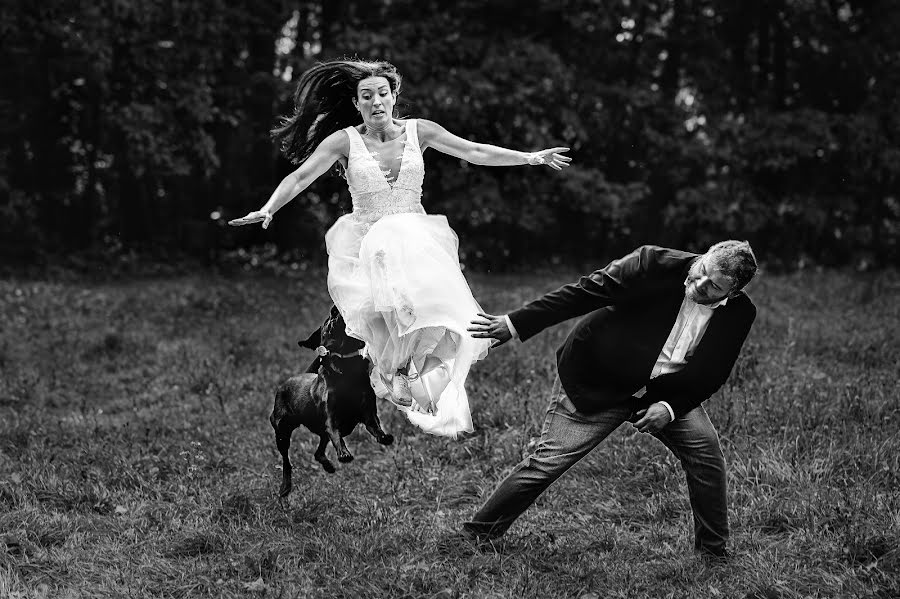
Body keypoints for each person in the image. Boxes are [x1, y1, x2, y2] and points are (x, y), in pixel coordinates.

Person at [229, 59, 571, 438]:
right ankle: (389, 375)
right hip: (369, 245)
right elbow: (300, 176)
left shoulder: (419, 131)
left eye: (382, 94)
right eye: (366, 96)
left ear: (393, 97)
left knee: (441, 323)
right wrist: (268, 209)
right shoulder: (344, 141)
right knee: (383, 327)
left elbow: (474, 151)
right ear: (357, 103)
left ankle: (411, 377)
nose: (376, 102)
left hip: (416, 241)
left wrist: (530, 157)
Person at [464, 241, 758, 560]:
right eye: (701, 271)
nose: (699, 284)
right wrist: (515, 323)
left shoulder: (740, 313)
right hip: (599, 378)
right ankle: (475, 535)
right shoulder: (651, 264)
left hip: (664, 392)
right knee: (548, 460)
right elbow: (586, 291)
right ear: (703, 257)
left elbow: (712, 372)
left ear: (732, 292)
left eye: (713, 286)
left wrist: (671, 408)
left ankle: (713, 553)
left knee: (706, 453)